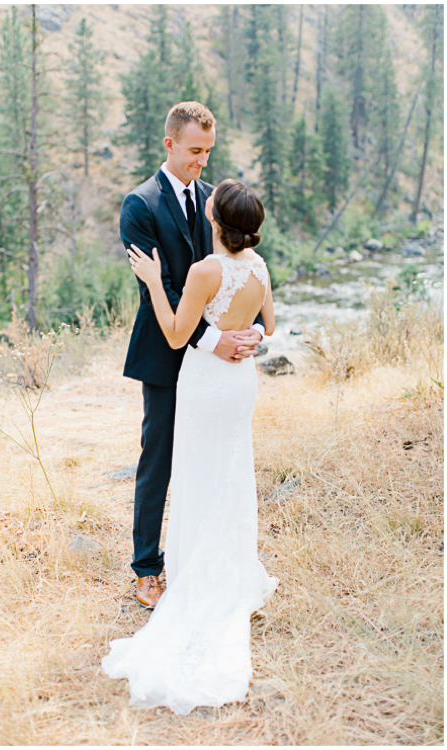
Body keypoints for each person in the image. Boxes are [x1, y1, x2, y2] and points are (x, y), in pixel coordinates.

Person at [102, 178, 279, 714]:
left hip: (205, 379)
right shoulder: (261, 267)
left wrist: (155, 282)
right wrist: (249, 336)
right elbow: (269, 326)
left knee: (198, 470)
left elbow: (178, 335)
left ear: (217, 221)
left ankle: (187, 574)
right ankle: (227, 564)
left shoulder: (205, 271)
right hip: (241, 381)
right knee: (231, 469)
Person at [118, 101, 265, 609]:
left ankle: (201, 558)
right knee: (157, 459)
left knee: (211, 458)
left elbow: (239, 271)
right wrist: (213, 339)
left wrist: (250, 335)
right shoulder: (139, 205)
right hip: (166, 350)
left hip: (215, 364)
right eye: (195, 151)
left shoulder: (213, 201)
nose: (203, 161)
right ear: (170, 144)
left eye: (209, 152)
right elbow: (161, 289)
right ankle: (146, 569)